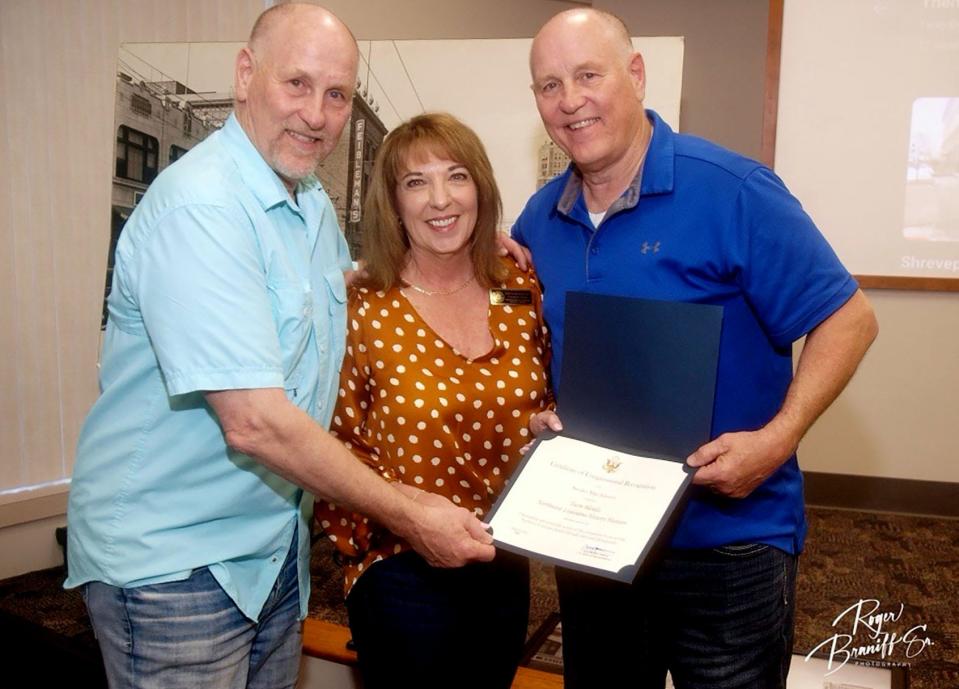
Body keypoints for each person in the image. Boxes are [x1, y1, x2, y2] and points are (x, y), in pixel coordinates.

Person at [65, 6, 494, 688]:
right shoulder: (203, 206)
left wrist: (461, 252)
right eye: (297, 84)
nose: (317, 115)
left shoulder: (310, 205)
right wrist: (405, 510)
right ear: (245, 74)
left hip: (266, 556)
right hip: (176, 569)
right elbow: (254, 419)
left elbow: (342, 295)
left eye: (335, 95)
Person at [511, 8, 880, 689]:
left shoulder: (734, 193)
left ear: (635, 74)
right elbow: (530, 338)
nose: (569, 101)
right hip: (595, 536)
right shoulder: (540, 218)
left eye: (587, 75)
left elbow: (849, 319)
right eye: (548, 85)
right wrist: (537, 406)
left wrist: (776, 439)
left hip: (726, 540)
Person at [314, 112, 552, 689]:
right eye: (416, 182)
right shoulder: (362, 306)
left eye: (457, 176)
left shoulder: (518, 288)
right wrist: (401, 520)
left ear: (481, 189)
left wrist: (547, 429)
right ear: (392, 203)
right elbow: (335, 443)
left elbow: (541, 397)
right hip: (401, 568)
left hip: (501, 559)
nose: (440, 199)